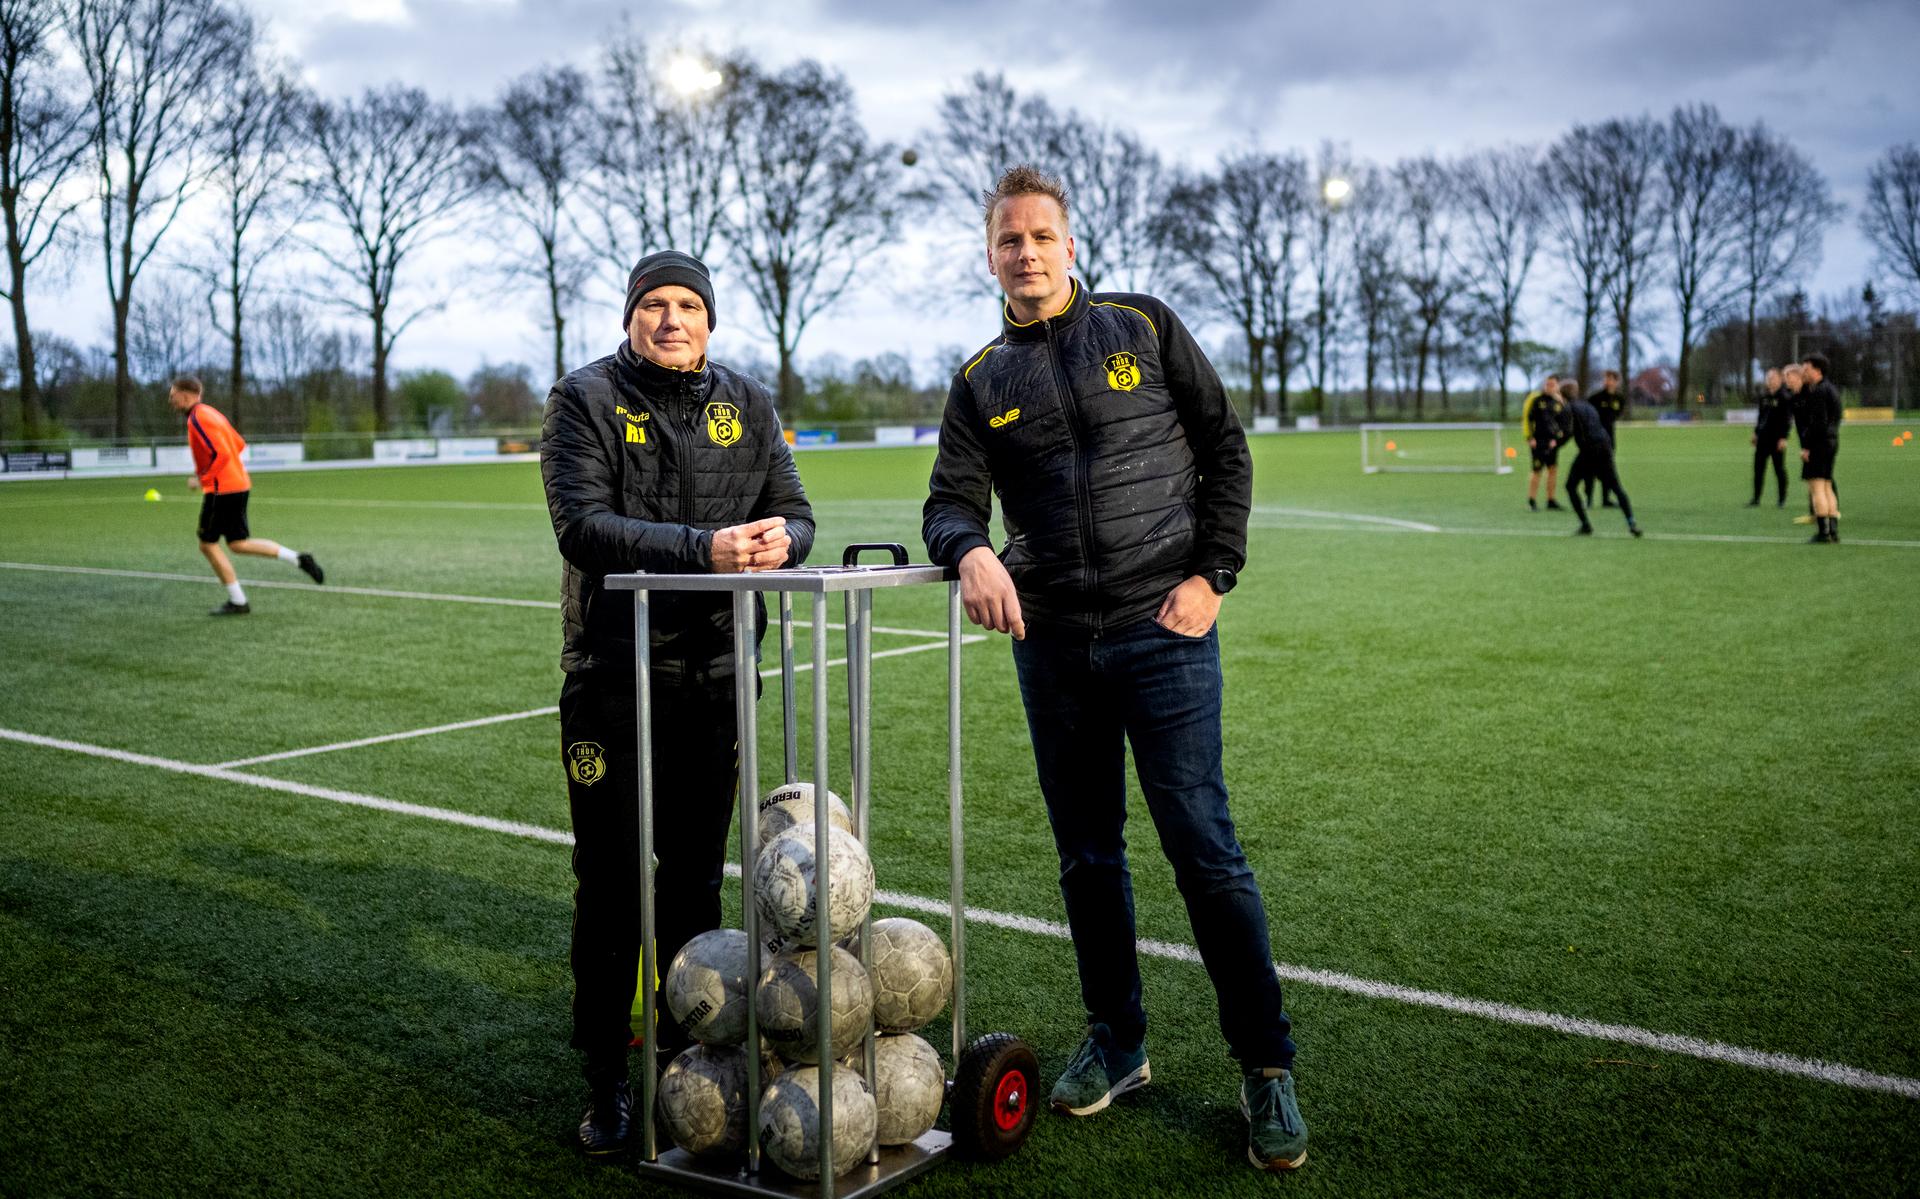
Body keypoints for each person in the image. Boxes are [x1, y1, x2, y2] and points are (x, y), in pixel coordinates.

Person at [922, 165, 1306, 1172]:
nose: (1027, 252)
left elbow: (1226, 447)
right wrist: (968, 549)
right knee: (1088, 854)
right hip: (1051, 642)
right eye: (1010, 240)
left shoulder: (1143, 326)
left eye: (1042, 236)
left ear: (1071, 245)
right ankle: (1119, 1040)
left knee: (1204, 847)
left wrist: (1214, 573)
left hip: (1163, 628)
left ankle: (1266, 1066)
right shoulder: (979, 380)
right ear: (991, 253)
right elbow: (948, 502)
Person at [540, 249, 814, 1155]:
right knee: (613, 885)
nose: (670, 319)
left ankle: (683, 1048)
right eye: (653, 304)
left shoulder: (749, 400)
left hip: (720, 680)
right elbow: (584, 528)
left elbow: (797, 509)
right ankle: (605, 1076)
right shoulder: (582, 400)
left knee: (694, 881)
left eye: (687, 305)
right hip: (614, 684)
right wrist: (707, 548)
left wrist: (781, 536)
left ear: (709, 320)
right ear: (629, 317)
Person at [167, 376, 324, 615]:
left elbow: (222, 454)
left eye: (173, 395)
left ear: (186, 394)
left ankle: (238, 601)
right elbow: (239, 444)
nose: (171, 400)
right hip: (238, 484)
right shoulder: (213, 413)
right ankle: (298, 559)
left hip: (222, 489)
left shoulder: (197, 418)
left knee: (207, 544)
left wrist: (202, 478)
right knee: (238, 544)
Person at [1561, 383, 1644, 538]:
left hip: (1589, 450)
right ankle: (1632, 523)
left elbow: (1567, 432)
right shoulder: (1588, 406)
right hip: (1605, 446)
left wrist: (1554, 445)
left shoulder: (1569, 408)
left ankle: (1585, 525)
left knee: (1570, 486)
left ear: (1561, 395)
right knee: (1616, 486)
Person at [1795, 352, 1842, 543]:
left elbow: (1818, 424)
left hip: (1820, 444)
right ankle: (1833, 531)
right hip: (1831, 442)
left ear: (1817, 370)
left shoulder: (1819, 392)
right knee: (1827, 486)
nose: (1803, 373)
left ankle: (1823, 532)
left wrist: (1807, 447)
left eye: (1806, 369)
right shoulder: (1830, 389)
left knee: (1817, 488)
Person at [1748, 368, 1792, 508]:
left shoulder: (1784, 397)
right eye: (1768, 378)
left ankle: (1782, 499)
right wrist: (1756, 433)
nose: (1770, 380)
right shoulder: (1764, 397)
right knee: (1758, 469)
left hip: (1776, 439)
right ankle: (1756, 498)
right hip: (1763, 439)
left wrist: (1784, 438)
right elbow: (1761, 417)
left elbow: (1787, 419)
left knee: (1779, 469)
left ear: (1780, 379)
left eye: (1772, 377)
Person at [1581, 370, 1626, 508]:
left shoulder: (1619, 398)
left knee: (1608, 468)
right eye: (1606, 379)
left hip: (1609, 438)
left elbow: (1617, 415)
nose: (1608, 381)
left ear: (1616, 381)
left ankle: (1606, 499)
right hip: (1594, 438)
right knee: (1591, 468)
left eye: (1611, 379)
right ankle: (1588, 499)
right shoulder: (1595, 398)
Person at [1522, 373, 1566, 510]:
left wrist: (1556, 439)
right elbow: (1528, 419)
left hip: (1552, 443)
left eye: (1552, 384)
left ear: (1557, 386)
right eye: (1547, 384)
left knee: (1552, 470)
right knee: (1537, 470)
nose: (1549, 387)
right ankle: (1532, 500)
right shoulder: (1537, 400)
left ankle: (1551, 500)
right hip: (1538, 442)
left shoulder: (1559, 403)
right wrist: (1530, 438)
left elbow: (1563, 423)